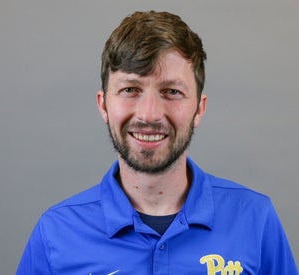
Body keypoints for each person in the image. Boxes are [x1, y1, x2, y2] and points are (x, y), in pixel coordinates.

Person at [16, 10, 298, 275]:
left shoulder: (256, 219)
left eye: (171, 91)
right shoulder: (55, 231)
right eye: (130, 89)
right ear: (103, 105)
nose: (149, 114)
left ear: (199, 109)